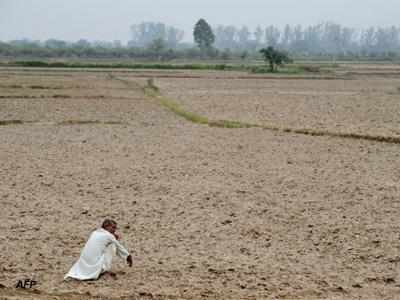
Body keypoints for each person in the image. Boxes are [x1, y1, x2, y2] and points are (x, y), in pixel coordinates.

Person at [64, 219, 132, 280]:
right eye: (113, 227)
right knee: (112, 245)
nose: (114, 230)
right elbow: (119, 247)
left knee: (111, 243)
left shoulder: (95, 232)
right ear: (106, 226)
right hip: (94, 267)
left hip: (82, 265)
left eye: (115, 228)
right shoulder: (109, 235)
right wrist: (128, 256)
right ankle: (104, 269)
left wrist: (113, 238)